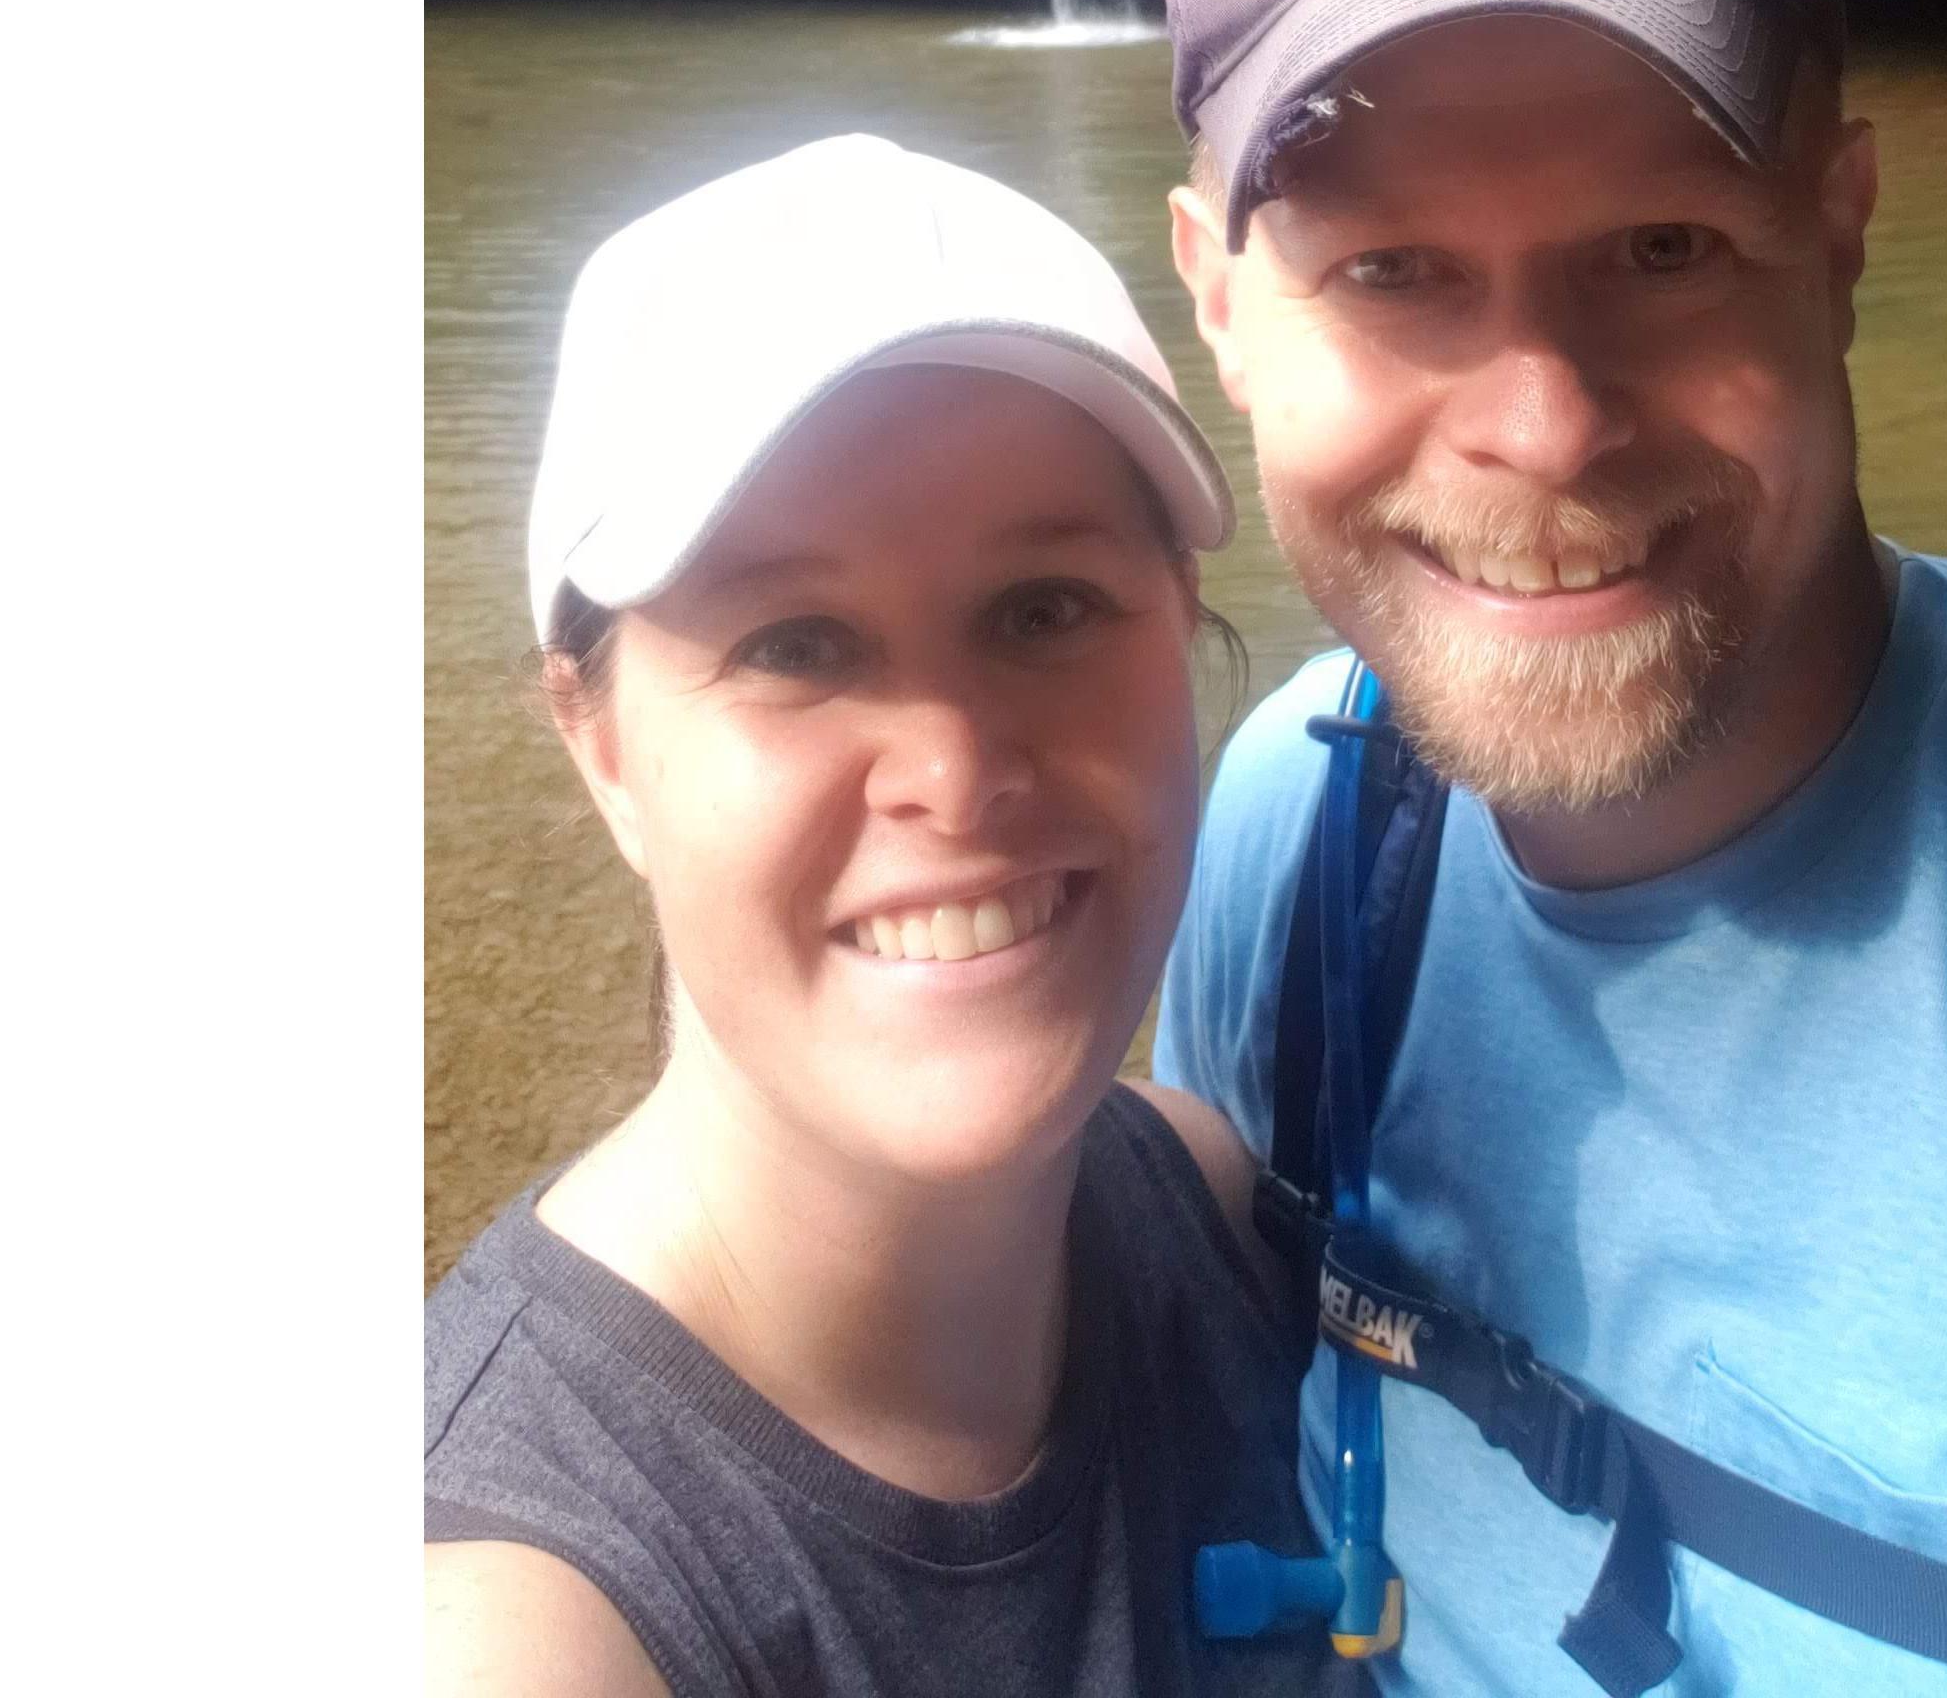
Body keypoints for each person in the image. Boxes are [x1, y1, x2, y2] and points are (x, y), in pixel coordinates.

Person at [1152, 0, 1947, 1695]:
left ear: (1841, 232)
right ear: (1217, 304)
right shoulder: (1299, 812)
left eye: (1661, 249)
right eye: (1389, 271)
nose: (1540, 426)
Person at [425, 134, 1333, 1696]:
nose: (954, 771)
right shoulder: (512, 1615)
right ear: (601, 747)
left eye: (1042, 610)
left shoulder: (1212, 1212)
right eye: (795, 643)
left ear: (1177, 623)